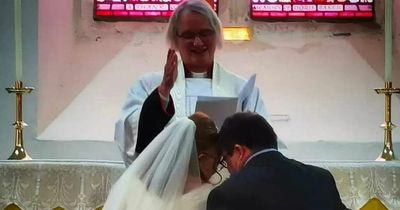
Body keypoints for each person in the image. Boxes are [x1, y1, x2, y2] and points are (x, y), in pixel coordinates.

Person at [114, 0, 270, 166]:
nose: (197, 42)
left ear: (216, 35)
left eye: (205, 33)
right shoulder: (148, 85)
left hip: (226, 186)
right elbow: (129, 135)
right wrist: (162, 95)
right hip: (167, 187)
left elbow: (264, 146)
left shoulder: (242, 90)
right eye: (188, 35)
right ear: (176, 39)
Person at [207, 112, 348, 210]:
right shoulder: (322, 178)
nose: (228, 169)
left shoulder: (226, 195)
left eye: (225, 159)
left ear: (239, 151)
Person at [103, 112, 224, 210]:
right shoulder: (204, 197)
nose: (217, 167)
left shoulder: (136, 185)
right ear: (202, 158)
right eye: (217, 160)